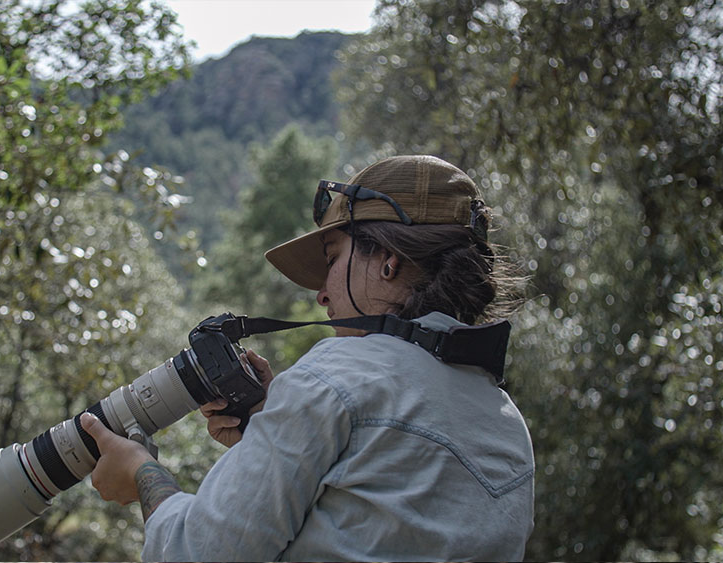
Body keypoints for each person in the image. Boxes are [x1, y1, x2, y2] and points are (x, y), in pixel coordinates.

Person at [81, 155, 535, 561]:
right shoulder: (507, 426)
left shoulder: (333, 378)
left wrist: (142, 474)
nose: (321, 294)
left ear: (388, 261)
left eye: (333, 259)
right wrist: (273, 427)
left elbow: (192, 552)